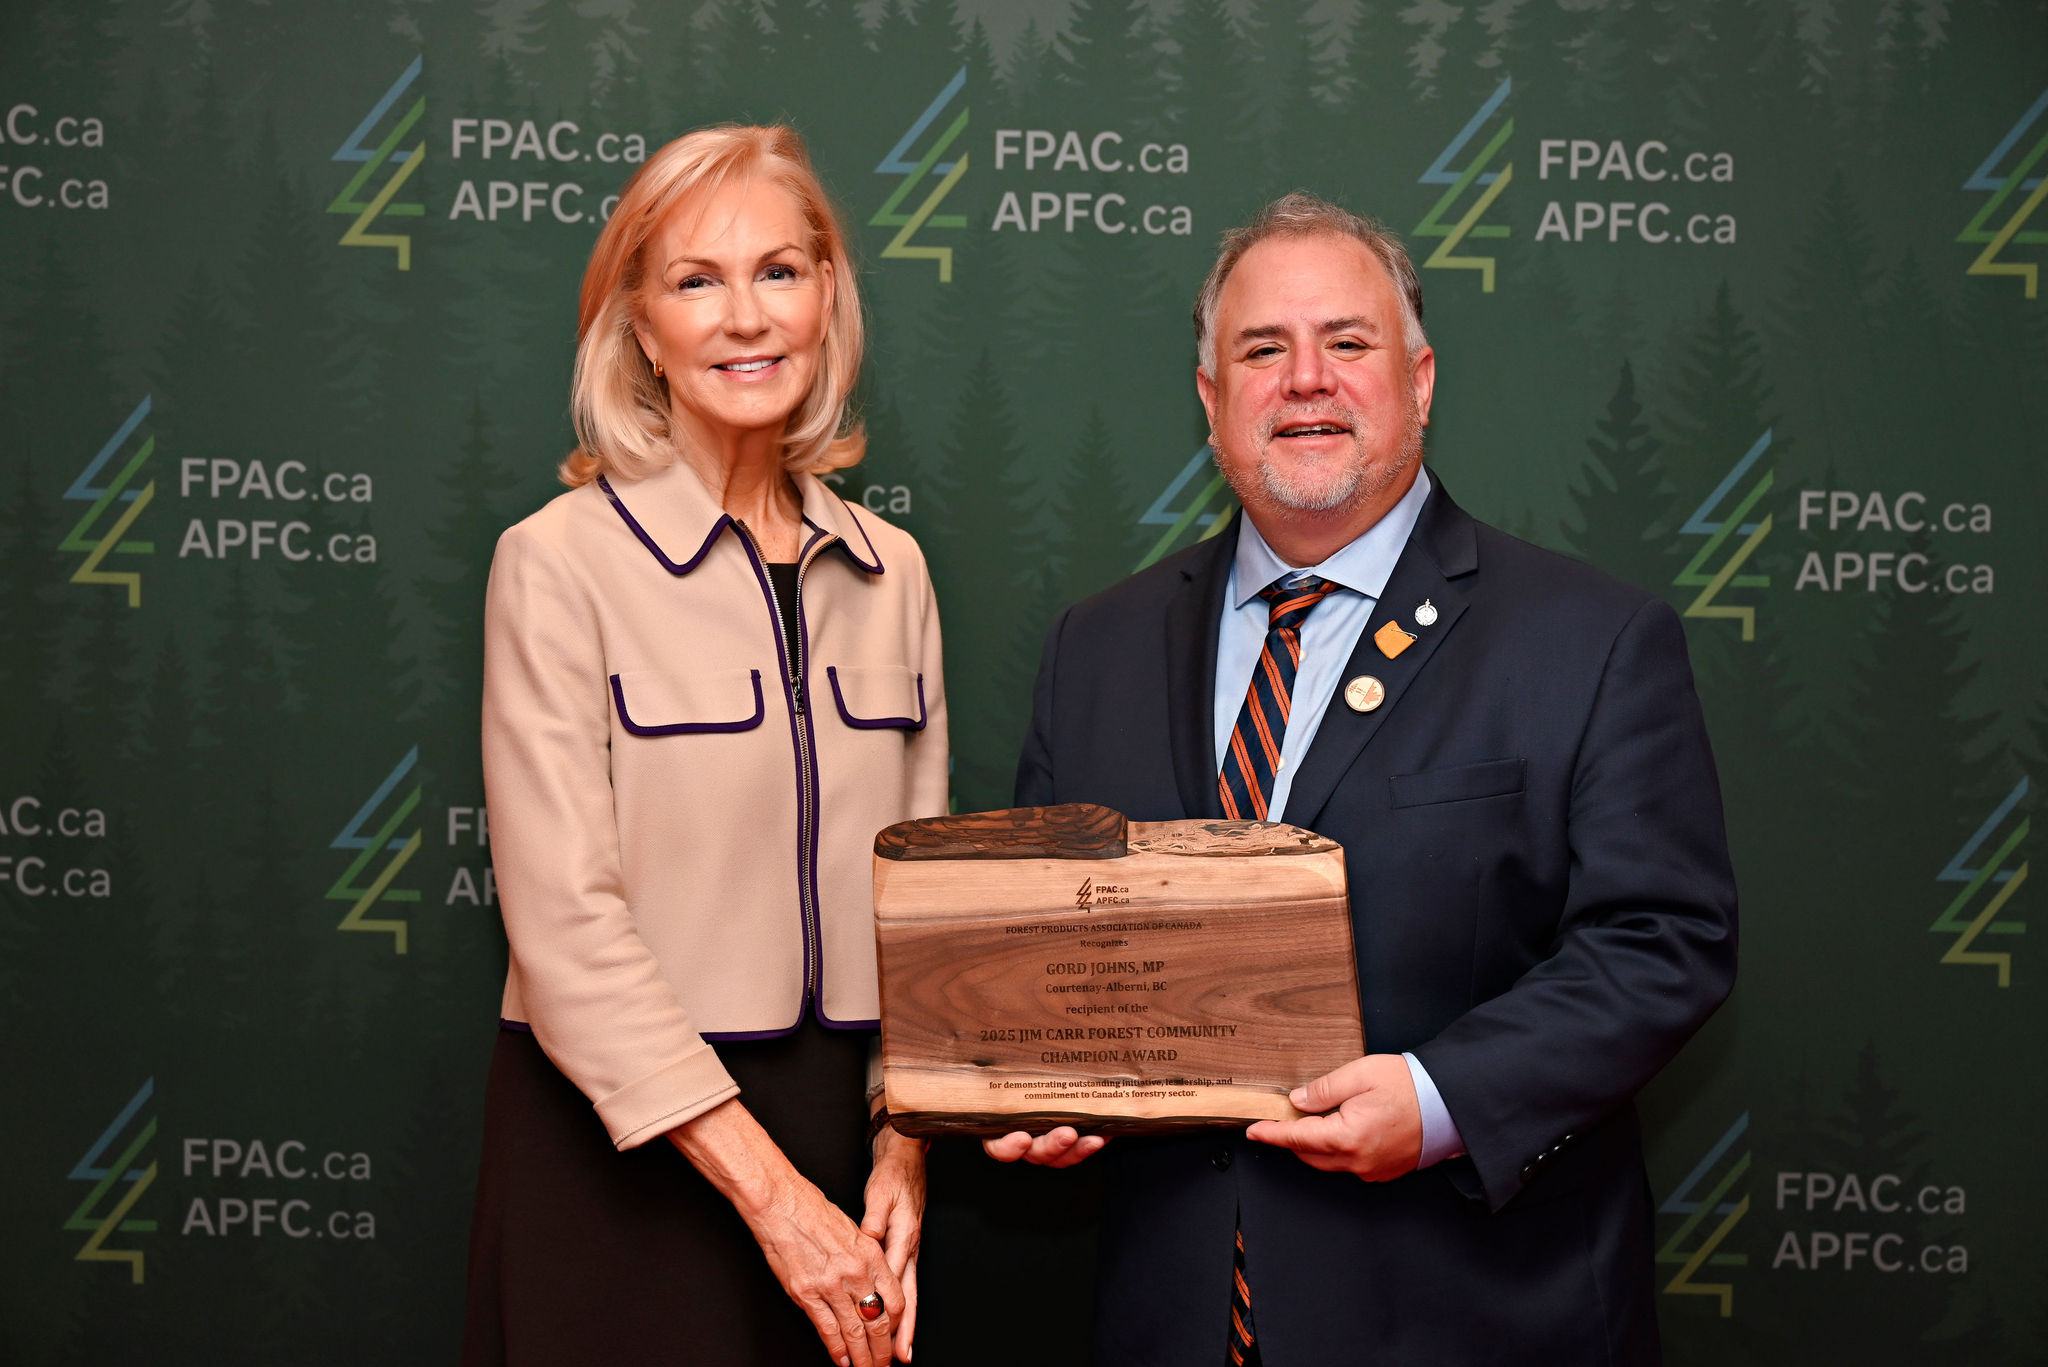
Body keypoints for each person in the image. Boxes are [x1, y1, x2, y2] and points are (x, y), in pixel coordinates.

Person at [989, 193, 1737, 1365]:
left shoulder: (1588, 638)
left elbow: (1661, 939)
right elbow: (1044, 948)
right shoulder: (1095, 645)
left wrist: (1443, 1098)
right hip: (1170, 1315)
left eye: (1345, 342)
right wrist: (1038, 1082)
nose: (1305, 380)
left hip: (1472, 1313)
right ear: (1209, 398)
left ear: (1419, 380)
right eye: (1261, 350)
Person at [463, 125, 946, 1367]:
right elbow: (564, 929)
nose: (744, 317)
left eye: (778, 271)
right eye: (696, 280)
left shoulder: (893, 571)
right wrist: (777, 1205)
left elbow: (925, 914)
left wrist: (902, 1147)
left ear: (826, 294)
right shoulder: (555, 562)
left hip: (844, 1148)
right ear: (639, 325)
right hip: (626, 1154)